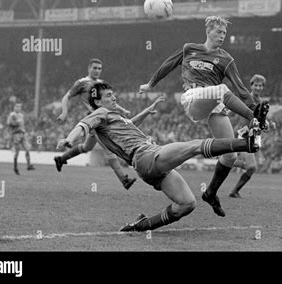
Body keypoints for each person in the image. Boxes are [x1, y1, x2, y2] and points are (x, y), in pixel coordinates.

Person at [57, 82, 263, 232]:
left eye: (113, 94)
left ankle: (143, 225)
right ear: (97, 100)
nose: (114, 98)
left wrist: (147, 110)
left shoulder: (114, 117)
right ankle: (246, 143)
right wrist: (69, 139)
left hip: (147, 164)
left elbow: (130, 125)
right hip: (146, 155)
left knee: (187, 204)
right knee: (193, 146)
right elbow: (82, 125)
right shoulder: (99, 112)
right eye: (109, 95)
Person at [139, 16, 269, 217]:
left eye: (224, 33)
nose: (222, 36)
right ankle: (255, 118)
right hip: (193, 98)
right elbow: (169, 64)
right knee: (221, 90)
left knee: (230, 155)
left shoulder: (226, 59)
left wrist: (254, 107)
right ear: (208, 31)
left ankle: (210, 193)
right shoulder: (189, 48)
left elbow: (241, 89)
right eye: (219, 32)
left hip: (215, 102)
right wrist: (150, 84)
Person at [54, 58, 137, 190]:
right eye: (95, 68)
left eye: (99, 68)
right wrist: (64, 112)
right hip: (94, 120)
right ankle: (124, 180)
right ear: (89, 68)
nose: (97, 71)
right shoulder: (82, 83)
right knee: (108, 148)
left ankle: (61, 159)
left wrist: (122, 110)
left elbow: (109, 100)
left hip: (103, 117)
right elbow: (67, 96)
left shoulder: (102, 84)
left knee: (87, 147)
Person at [229, 74, 267, 198]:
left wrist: (267, 124)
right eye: (256, 85)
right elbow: (234, 109)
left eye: (260, 85)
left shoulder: (261, 102)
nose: (258, 87)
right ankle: (234, 191)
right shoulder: (247, 98)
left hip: (252, 136)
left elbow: (259, 121)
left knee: (251, 167)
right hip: (243, 134)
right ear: (251, 86)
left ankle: (234, 191)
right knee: (251, 166)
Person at [7, 103, 35, 175]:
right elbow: (9, 123)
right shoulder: (12, 115)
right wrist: (16, 123)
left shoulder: (21, 115)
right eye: (17, 107)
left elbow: (22, 125)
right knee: (17, 151)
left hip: (22, 134)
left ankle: (29, 165)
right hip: (16, 134)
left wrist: (25, 131)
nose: (19, 108)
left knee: (27, 148)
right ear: (14, 108)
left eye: (20, 107)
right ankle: (15, 167)